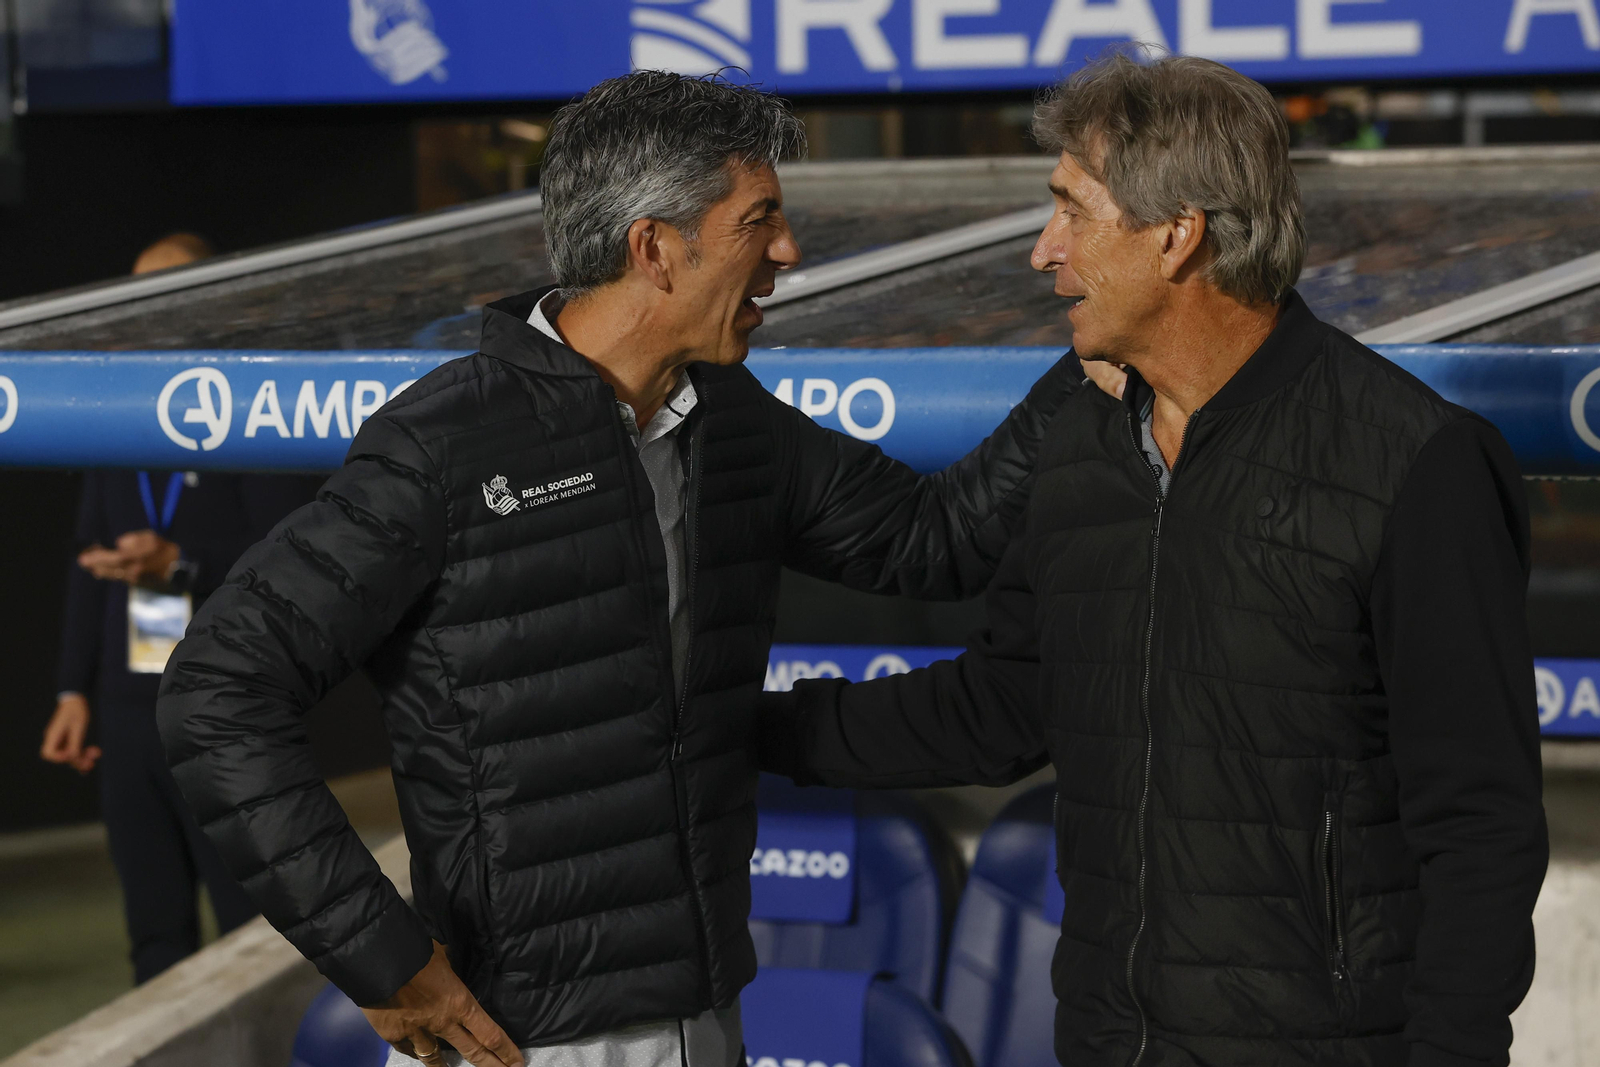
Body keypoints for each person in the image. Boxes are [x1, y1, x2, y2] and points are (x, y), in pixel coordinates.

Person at [155, 72, 1093, 1067]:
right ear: (653, 247)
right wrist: (381, 956)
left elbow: (932, 539)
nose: (787, 252)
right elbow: (216, 690)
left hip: (709, 1014)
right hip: (523, 1042)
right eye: (759, 221)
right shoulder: (443, 445)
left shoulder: (735, 422)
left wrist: (1097, 353)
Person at [758, 54, 1549, 1067]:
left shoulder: (1415, 462)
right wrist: (735, 727)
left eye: (1071, 212)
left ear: (1178, 234)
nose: (1043, 252)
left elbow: (1479, 826)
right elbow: (999, 708)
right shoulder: (1079, 442)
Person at [41, 229, 319, 983]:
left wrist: (181, 564)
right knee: (153, 929)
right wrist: (72, 690)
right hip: (128, 711)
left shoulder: (253, 409)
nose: (142, 309)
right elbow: (86, 565)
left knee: (249, 930)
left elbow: (291, 558)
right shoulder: (118, 415)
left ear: (207, 303)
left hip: (224, 703)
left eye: (160, 293)